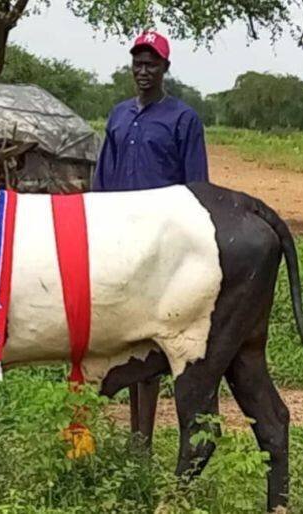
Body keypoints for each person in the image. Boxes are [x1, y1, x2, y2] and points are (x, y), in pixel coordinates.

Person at [93, 30, 209, 446]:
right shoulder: (119, 115)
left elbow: (197, 190)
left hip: (161, 245)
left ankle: (145, 437)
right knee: (124, 334)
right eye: (138, 64)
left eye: (151, 64)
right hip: (118, 238)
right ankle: (134, 436)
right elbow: (102, 179)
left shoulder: (183, 119)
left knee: (154, 337)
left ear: (165, 69)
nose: (143, 72)